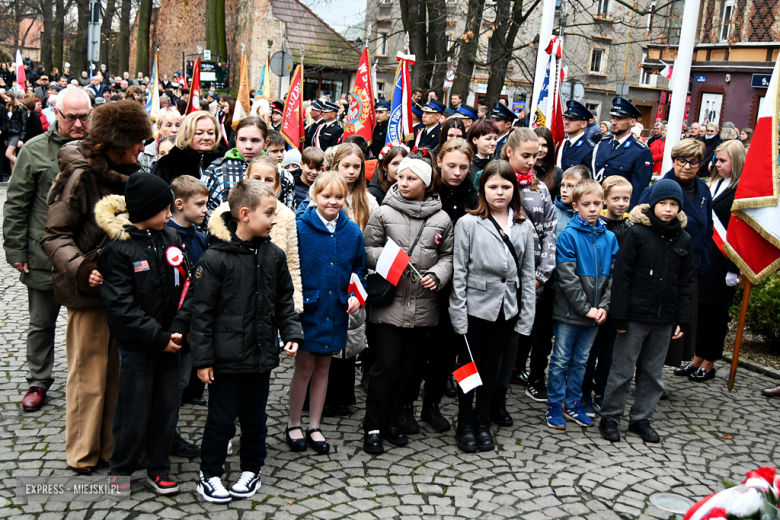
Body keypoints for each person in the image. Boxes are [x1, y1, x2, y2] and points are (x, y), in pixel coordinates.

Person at [42, 100, 152, 474]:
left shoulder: (135, 173)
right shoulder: (79, 176)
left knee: (118, 376)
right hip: (88, 293)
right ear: (115, 142)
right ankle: (82, 452)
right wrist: (82, 268)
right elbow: (55, 236)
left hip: (125, 292)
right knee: (88, 374)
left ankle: (109, 447)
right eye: (136, 140)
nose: (142, 147)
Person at [189, 180, 302, 503]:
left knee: (255, 420)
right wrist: (203, 359)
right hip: (224, 360)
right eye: (269, 213)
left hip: (260, 356)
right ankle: (209, 474)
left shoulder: (274, 256)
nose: (274, 220)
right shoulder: (214, 258)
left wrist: (291, 332)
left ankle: (252, 469)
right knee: (220, 420)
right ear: (244, 214)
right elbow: (201, 313)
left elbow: (284, 300)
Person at [94, 173, 187, 495]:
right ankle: (121, 467)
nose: (170, 215)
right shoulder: (118, 249)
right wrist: (158, 337)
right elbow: (120, 307)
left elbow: (187, 286)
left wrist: (178, 329)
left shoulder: (171, 237)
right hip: (138, 347)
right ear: (146, 209)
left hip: (171, 343)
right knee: (132, 411)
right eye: (164, 209)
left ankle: (159, 468)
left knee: (166, 410)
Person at [3, 86, 91, 412]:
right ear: (57, 114)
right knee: (41, 323)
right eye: (71, 117)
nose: (78, 124)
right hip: (45, 256)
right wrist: (16, 251)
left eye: (84, 117)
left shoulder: (99, 148)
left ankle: (86, 382)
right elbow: (16, 203)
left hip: (87, 258)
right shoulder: (35, 150)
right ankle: (38, 381)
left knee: (86, 325)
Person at [362, 150, 454, 455]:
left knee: (408, 370)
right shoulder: (384, 213)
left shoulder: (441, 218)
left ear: (425, 183)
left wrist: (438, 275)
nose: (402, 182)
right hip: (389, 305)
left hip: (424, 307)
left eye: (411, 178)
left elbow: (449, 256)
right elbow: (366, 249)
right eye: (400, 176)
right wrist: (389, 258)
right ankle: (373, 425)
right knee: (385, 366)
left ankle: (392, 420)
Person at [449, 159, 536, 452]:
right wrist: (458, 312)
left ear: (515, 189)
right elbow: (459, 271)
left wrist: (526, 315)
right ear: (482, 189)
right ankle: (464, 420)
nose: (500, 192)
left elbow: (527, 274)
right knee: (467, 365)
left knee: (491, 366)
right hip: (475, 307)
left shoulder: (523, 226)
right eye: (493, 186)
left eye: (506, 186)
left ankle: (482, 419)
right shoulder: (468, 223)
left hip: (506, 308)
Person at [599, 179, 695, 443]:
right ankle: (610, 416)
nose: (668, 209)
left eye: (673, 204)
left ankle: (641, 418)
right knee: (622, 369)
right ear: (653, 205)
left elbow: (686, 281)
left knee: (653, 372)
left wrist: (682, 318)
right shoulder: (637, 233)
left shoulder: (684, 239)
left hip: (665, 318)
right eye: (663, 203)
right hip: (634, 315)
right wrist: (619, 315)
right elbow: (622, 277)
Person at [399, 139, 477, 435]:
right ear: (439, 162)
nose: (457, 172)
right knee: (416, 350)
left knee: (445, 350)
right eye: (451, 165)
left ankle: (431, 404)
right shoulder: (428, 191)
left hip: (458, 285)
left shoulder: (473, 196)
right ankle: (405, 404)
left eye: (463, 167)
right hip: (424, 280)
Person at [285, 172, 366, 454]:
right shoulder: (300, 228)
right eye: (326, 195)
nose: (333, 201)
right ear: (313, 196)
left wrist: (356, 295)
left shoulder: (352, 232)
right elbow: (290, 268)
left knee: (324, 369)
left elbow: (358, 270)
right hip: (309, 310)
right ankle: (294, 422)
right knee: (304, 368)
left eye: (338, 197)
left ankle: (315, 425)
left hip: (336, 310)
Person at [545, 179, 618, 430]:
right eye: (587, 204)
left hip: (596, 314)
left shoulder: (610, 238)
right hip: (570, 314)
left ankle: (573, 402)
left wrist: (604, 307)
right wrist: (585, 308)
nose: (593, 209)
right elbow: (567, 278)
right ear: (575, 206)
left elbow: (614, 278)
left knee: (581, 361)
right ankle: (554, 405)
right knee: (560, 360)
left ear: (603, 203)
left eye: (597, 203)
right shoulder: (569, 236)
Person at [496, 129, 557, 417]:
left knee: (515, 340)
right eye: (526, 155)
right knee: (492, 342)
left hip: (530, 280)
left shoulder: (539, 189)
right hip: (497, 278)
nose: (533, 160)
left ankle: (500, 396)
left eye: (536, 155)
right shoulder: (494, 182)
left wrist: (541, 275)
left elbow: (549, 233)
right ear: (509, 152)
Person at [638, 138, 712, 370]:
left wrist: (703, 265)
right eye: (682, 160)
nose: (687, 166)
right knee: (652, 329)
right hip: (659, 270)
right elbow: (640, 229)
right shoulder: (658, 189)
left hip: (689, 268)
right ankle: (645, 372)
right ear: (673, 160)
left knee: (676, 329)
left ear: (700, 164)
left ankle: (655, 374)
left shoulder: (703, 190)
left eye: (693, 162)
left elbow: (707, 229)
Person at [676, 140, 744, 383]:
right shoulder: (711, 185)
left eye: (723, 160)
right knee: (701, 312)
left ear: (736, 162)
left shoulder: (741, 191)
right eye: (716, 160)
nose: (717, 164)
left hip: (724, 262)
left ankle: (709, 362)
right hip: (705, 258)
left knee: (716, 315)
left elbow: (740, 233)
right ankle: (697, 357)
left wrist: (733, 268)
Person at [580, 176, 633, 416]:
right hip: (596, 297)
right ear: (604, 200)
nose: (621, 203)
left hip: (619, 300)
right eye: (615, 198)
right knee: (590, 349)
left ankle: (602, 392)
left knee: (610, 352)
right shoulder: (597, 226)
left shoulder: (631, 228)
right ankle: (584, 391)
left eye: (626, 199)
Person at [165, 175, 209, 459]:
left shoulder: (200, 237)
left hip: (193, 319)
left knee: (181, 382)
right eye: (200, 204)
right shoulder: (167, 237)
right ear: (179, 204)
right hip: (172, 323)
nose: (205, 209)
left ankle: (169, 433)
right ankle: (163, 435)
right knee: (170, 384)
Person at [591, 97, 653, 209]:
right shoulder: (602, 145)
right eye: (613, 118)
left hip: (620, 212)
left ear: (632, 122)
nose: (614, 122)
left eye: (619, 119)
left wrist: (627, 215)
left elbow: (638, 191)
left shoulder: (640, 151)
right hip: (597, 209)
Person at [201, 116, 268, 212]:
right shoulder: (217, 170)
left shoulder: (277, 172)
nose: (248, 146)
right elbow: (202, 208)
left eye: (255, 140)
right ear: (236, 140)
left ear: (265, 143)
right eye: (242, 140)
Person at [153, 111, 222, 184]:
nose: (206, 137)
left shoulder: (223, 161)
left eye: (210, 133)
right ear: (186, 135)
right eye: (199, 133)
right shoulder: (167, 164)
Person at [556, 100, 596, 173]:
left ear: (583, 124)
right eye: (566, 118)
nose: (566, 122)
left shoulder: (589, 149)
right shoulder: (561, 143)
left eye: (572, 119)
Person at [534, 126, 564, 200]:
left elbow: (559, 201)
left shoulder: (558, 173)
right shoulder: (523, 169)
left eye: (544, 145)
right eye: (537, 144)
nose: (540, 149)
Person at [3, 90, 28, 171]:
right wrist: (6, 138)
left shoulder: (20, 108)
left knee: (8, 154)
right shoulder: (8, 107)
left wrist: (21, 139)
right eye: (4, 99)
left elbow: (24, 124)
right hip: (9, 134)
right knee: (12, 155)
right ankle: (14, 175)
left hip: (16, 134)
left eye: (7, 98)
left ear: (12, 97)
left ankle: (25, 168)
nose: (5, 100)